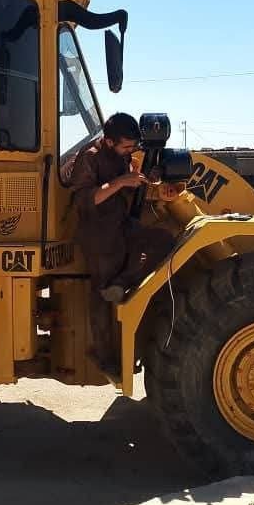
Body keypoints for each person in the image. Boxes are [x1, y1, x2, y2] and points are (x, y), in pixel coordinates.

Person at [69, 112, 176, 375]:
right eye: (126, 147)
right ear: (108, 141)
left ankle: (121, 283)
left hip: (121, 224)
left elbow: (126, 179)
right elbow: (84, 200)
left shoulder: (121, 155)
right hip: (98, 233)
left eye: (133, 147)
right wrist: (120, 182)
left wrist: (141, 177)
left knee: (164, 242)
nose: (130, 151)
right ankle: (104, 357)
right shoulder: (90, 157)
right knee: (102, 295)